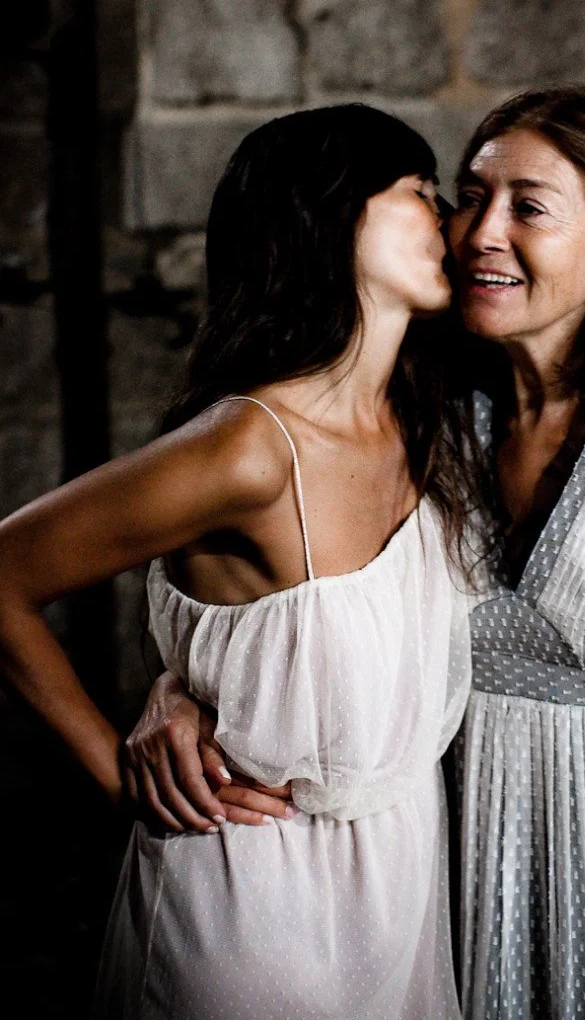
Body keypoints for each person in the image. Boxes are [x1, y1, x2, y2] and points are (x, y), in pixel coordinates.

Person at [131, 89, 585, 1019]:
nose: (480, 231)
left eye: (529, 206)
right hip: (465, 897)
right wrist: (180, 689)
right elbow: (286, 595)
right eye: (468, 197)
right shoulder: (422, 414)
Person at [0, 104, 480, 1020]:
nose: (450, 220)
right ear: (329, 216)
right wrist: (121, 778)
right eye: (420, 193)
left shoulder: (429, 417)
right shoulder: (249, 449)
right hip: (255, 900)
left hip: (403, 889)